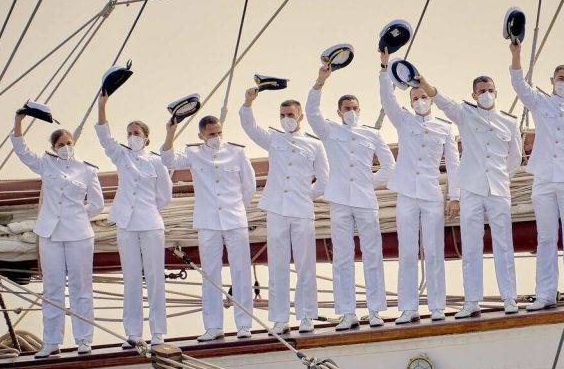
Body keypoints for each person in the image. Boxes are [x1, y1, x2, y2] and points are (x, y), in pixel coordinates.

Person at [306, 63, 395, 330]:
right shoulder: (330, 130)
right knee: (343, 257)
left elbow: (389, 166)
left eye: (355, 108)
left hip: (366, 200)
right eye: (347, 109)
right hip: (340, 200)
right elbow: (311, 112)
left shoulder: (372, 134)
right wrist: (320, 81)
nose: (352, 112)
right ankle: (347, 313)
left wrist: (369, 183)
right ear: (339, 112)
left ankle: (376, 310)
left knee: (372, 254)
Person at [429, 74, 522, 318]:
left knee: (504, 243)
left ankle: (509, 297)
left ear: (496, 92)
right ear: (474, 95)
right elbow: (443, 102)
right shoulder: (465, 114)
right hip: (471, 188)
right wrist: (425, 83)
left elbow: (515, 157)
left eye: (490, 90)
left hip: (498, 189)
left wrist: (501, 175)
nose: (486, 94)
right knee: (471, 245)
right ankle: (471, 301)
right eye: (481, 91)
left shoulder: (509, 122)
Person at [11, 113, 104, 358]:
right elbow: (22, 151)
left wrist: (76, 214)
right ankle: (51, 342)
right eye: (60, 144)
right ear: (54, 147)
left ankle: (84, 339)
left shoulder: (86, 169)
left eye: (69, 143)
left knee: (81, 287)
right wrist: (19, 121)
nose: (65, 148)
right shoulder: (46, 163)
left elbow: (96, 203)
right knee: (52, 288)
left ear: (74, 144)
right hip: (50, 233)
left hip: (79, 234)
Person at [378, 50, 460, 324]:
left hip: (431, 195)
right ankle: (408, 307)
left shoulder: (445, 128)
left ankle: (437, 306)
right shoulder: (404, 121)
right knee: (408, 251)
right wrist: (384, 66)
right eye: (415, 98)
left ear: (430, 100)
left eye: (424, 97)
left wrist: (454, 196)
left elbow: (454, 163)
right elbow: (387, 100)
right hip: (406, 194)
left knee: (434, 251)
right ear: (411, 103)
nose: (420, 101)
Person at [239, 90, 329, 335]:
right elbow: (249, 126)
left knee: (305, 265)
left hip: (301, 211)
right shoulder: (274, 139)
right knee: (277, 266)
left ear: (300, 116)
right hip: (276, 209)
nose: (286, 118)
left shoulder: (315, 145)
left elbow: (323, 179)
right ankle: (280, 319)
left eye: (290, 114)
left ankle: (307, 316)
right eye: (282, 115)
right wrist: (248, 103)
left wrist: (303, 195)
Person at [509, 41, 564, 311]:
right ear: (552, 80)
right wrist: (517, 54)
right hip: (543, 178)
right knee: (545, 238)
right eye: (560, 78)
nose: (563, 83)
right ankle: (545, 295)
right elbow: (519, 85)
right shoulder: (540, 101)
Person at [162, 115, 256, 341]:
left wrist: (235, 209)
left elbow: (249, 186)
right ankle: (214, 327)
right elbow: (167, 161)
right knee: (210, 274)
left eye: (219, 132)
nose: (216, 137)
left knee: (241, 272)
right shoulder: (193, 153)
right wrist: (170, 133)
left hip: (234, 220)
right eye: (211, 134)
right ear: (201, 135)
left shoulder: (237, 152)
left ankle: (244, 325)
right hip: (208, 222)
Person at [95, 93, 172, 348]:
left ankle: (158, 332)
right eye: (129, 133)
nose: (132, 137)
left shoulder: (157, 162)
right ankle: (133, 333)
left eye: (137, 133)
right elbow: (105, 139)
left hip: (150, 223)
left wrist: (147, 209)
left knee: (154, 278)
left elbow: (164, 195)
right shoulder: (122, 156)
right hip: (126, 223)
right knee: (130, 279)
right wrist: (102, 105)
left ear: (146, 137)